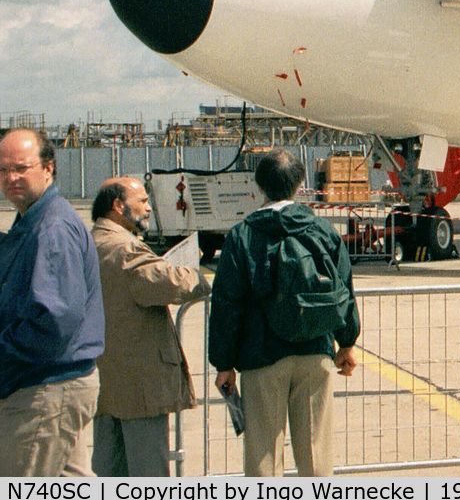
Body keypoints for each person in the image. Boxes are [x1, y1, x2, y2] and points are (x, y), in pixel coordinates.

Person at [209, 147, 359, 476]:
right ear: (299, 185)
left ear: (258, 186)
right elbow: (344, 290)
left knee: (263, 454)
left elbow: (226, 304)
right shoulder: (322, 231)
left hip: (261, 356)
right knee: (315, 453)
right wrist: (346, 342)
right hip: (315, 351)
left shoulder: (242, 235)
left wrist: (223, 363)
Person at [0, 127, 105, 477]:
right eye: (3, 170)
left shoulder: (51, 229)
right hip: (55, 386)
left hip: (44, 388)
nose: (11, 177)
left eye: (20, 168)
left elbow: (52, 321)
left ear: (48, 168)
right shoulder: (33, 222)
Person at [89, 176, 210, 476]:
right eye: (142, 201)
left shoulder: (93, 241)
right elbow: (171, 284)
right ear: (118, 206)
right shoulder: (124, 250)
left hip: (107, 381)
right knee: (149, 474)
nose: (148, 208)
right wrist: (195, 273)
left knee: (109, 469)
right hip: (139, 385)